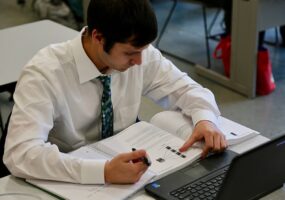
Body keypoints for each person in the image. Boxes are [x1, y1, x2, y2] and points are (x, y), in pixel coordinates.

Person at [3, 0, 227, 185]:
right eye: (130, 53)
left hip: (126, 171)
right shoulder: (45, 73)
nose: (139, 61)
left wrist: (205, 120)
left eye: (143, 51)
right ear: (98, 38)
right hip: (67, 179)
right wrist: (103, 171)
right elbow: (20, 154)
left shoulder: (140, 55)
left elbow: (186, 88)